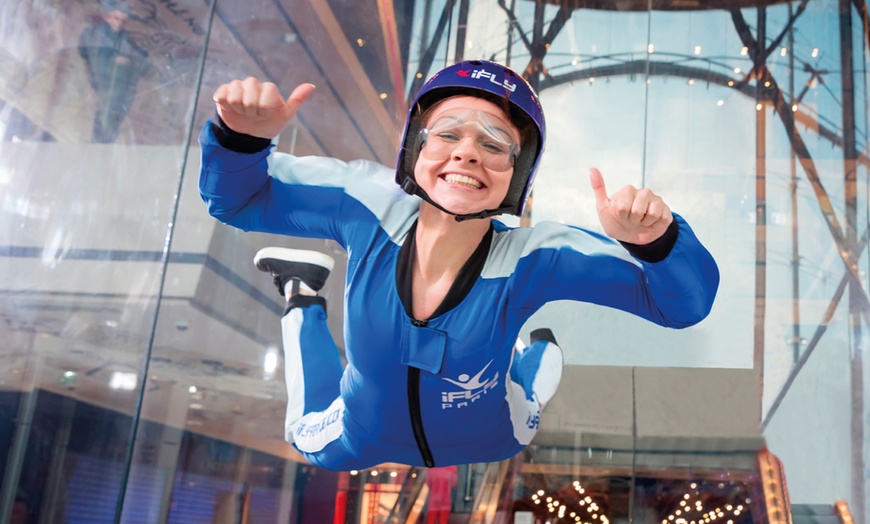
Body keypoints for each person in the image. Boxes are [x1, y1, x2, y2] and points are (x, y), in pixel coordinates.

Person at [198, 59, 720, 471]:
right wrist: (240, 138)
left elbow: (678, 306)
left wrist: (658, 241)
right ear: (415, 149)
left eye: (495, 145)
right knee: (304, 428)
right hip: (360, 433)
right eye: (447, 134)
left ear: (518, 175)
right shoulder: (365, 203)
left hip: (495, 437)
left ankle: (534, 358)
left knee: (529, 388)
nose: (467, 153)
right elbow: (239, 199)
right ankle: (303, 295)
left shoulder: (534, 257)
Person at [78, 3, 149, 143]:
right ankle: (101, 138)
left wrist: (131, 60)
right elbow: (84, 52)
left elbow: (141, 56)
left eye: (123, 21)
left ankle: (105, 138)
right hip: (102, 84)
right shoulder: (94, 33)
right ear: (107, 17)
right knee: (105, 113)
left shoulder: (124, 37)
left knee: (113, 113)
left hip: (117, 84)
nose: (120, 23)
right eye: (117, 18)